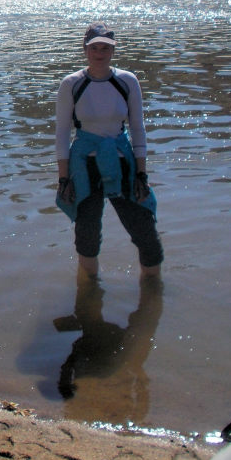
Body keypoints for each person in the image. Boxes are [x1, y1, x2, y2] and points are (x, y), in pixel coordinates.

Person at [55, 23, 163, 278]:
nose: (100, 53)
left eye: (105, 48)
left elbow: (138, 129)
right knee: (87, 238)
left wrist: (141, 174)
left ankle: (152, 293)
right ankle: (90, 293)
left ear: (113, 51)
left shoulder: (127, 81)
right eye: (94, 47)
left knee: (146, 235)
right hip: (84, 166)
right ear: (85, 50)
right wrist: (63, 179)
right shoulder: (71, 84)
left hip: (122, 162)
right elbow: (61, 133)